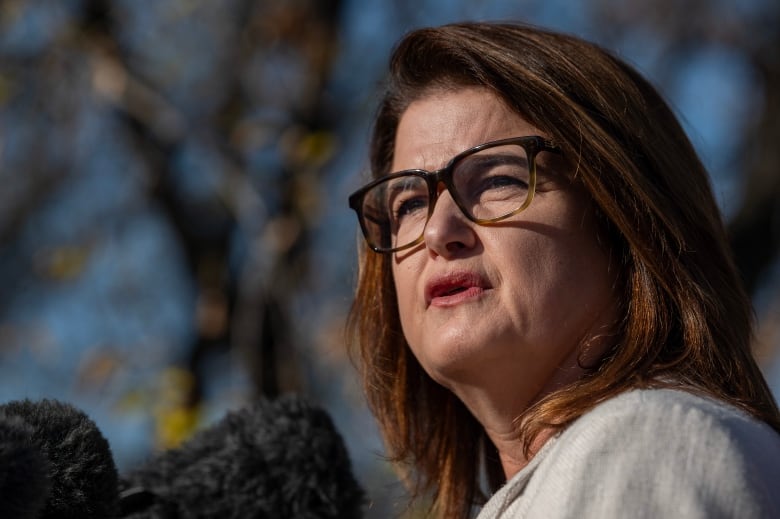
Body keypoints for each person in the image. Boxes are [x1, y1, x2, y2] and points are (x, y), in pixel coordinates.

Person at [346, 21, 780, 519]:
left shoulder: (645, 445)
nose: (439, 231)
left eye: (497, 180)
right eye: (408, 204)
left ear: (627, 218)